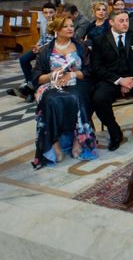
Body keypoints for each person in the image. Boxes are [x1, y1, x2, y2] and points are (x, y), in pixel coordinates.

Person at [31, 14, 96, 168]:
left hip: (77, 82)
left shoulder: (80, 46)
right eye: (65, 26)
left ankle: (77, 141)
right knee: (50, 99)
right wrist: (52, 75)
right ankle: (54, 145)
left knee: (76, 96)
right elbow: (36, 77)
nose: (70, 29)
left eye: (71, 26)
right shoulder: (46, 50)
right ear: (57, 30)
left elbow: (89, 70)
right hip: (52, 84)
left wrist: (72, 74)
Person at [91, 10, 133, 151]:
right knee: (98, 99)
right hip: (110, 80)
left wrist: (132, 80)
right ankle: (114, 131)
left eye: (127, 20)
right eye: (121, 21)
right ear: (111, 22)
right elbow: (97, 67)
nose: (125, 24)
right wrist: (119, 81)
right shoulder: (100, 40)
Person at [13, 2, 56, 99]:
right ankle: (30, 84)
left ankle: (30, 89)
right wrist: (37, 45)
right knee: (23, 59)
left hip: (51, 50)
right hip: (41, 48)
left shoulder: (57, 23)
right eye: (45, 13)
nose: (48, 15)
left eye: (51, 12)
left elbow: (55, 40)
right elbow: (42, 37)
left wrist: (41, 48)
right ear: (42, 13)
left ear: (55, 12)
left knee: (38, 63)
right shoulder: (43, 23)